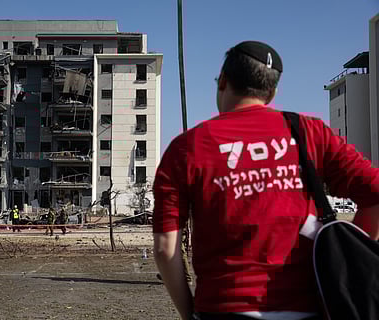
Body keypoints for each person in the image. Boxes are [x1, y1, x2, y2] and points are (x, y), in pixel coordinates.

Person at [153, 40, 379, 320]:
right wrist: (343, 267)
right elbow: (375, 195)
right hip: (306, 310)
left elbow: (165, 248)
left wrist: (190, 314)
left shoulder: (186, 147)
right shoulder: (310, 132)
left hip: (222, 308)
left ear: (222, 80)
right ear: (271, 92)